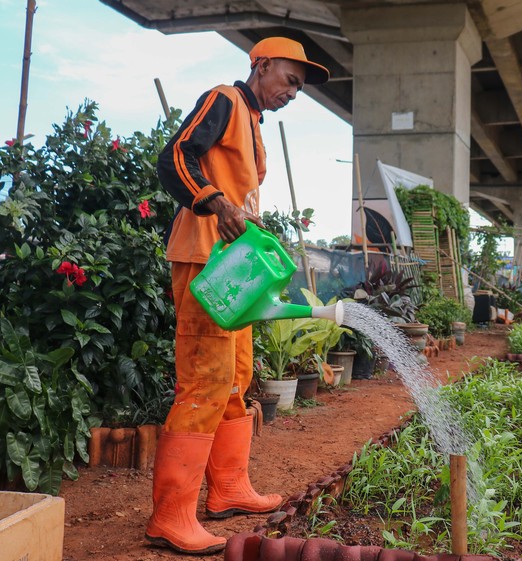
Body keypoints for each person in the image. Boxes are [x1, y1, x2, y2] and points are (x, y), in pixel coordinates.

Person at [147, 37, 329, 555]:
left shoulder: (253, 125)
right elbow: (176, 158)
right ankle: (170, 516)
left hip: (234, 269)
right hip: (205, 263)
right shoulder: (224, 100)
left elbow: (237, 193)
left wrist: (244, 215)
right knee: (204, 381)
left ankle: (227, 489)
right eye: (290, 80)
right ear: (262, 64)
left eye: (299, 87)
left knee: (235, 377)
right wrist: (215, 202)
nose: (293, 93)